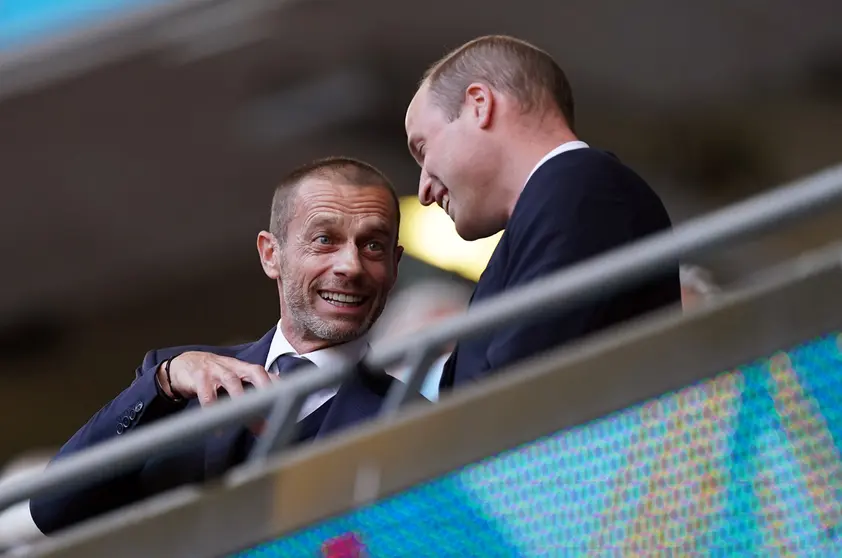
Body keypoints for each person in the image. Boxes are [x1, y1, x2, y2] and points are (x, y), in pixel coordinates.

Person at [30, 157, 404, 534]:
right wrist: (164, 381)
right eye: (325, 240)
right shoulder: (173, 381)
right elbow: (54, 509)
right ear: (271, 255)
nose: (351, 266)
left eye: (373, 245)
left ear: (395, 264)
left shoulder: (413, 414)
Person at [403, 35, 681, 389]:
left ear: (478, 104)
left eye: (423, 149)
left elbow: (513, 393)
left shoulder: (584, 188)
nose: (424, 189)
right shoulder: (562, 200)